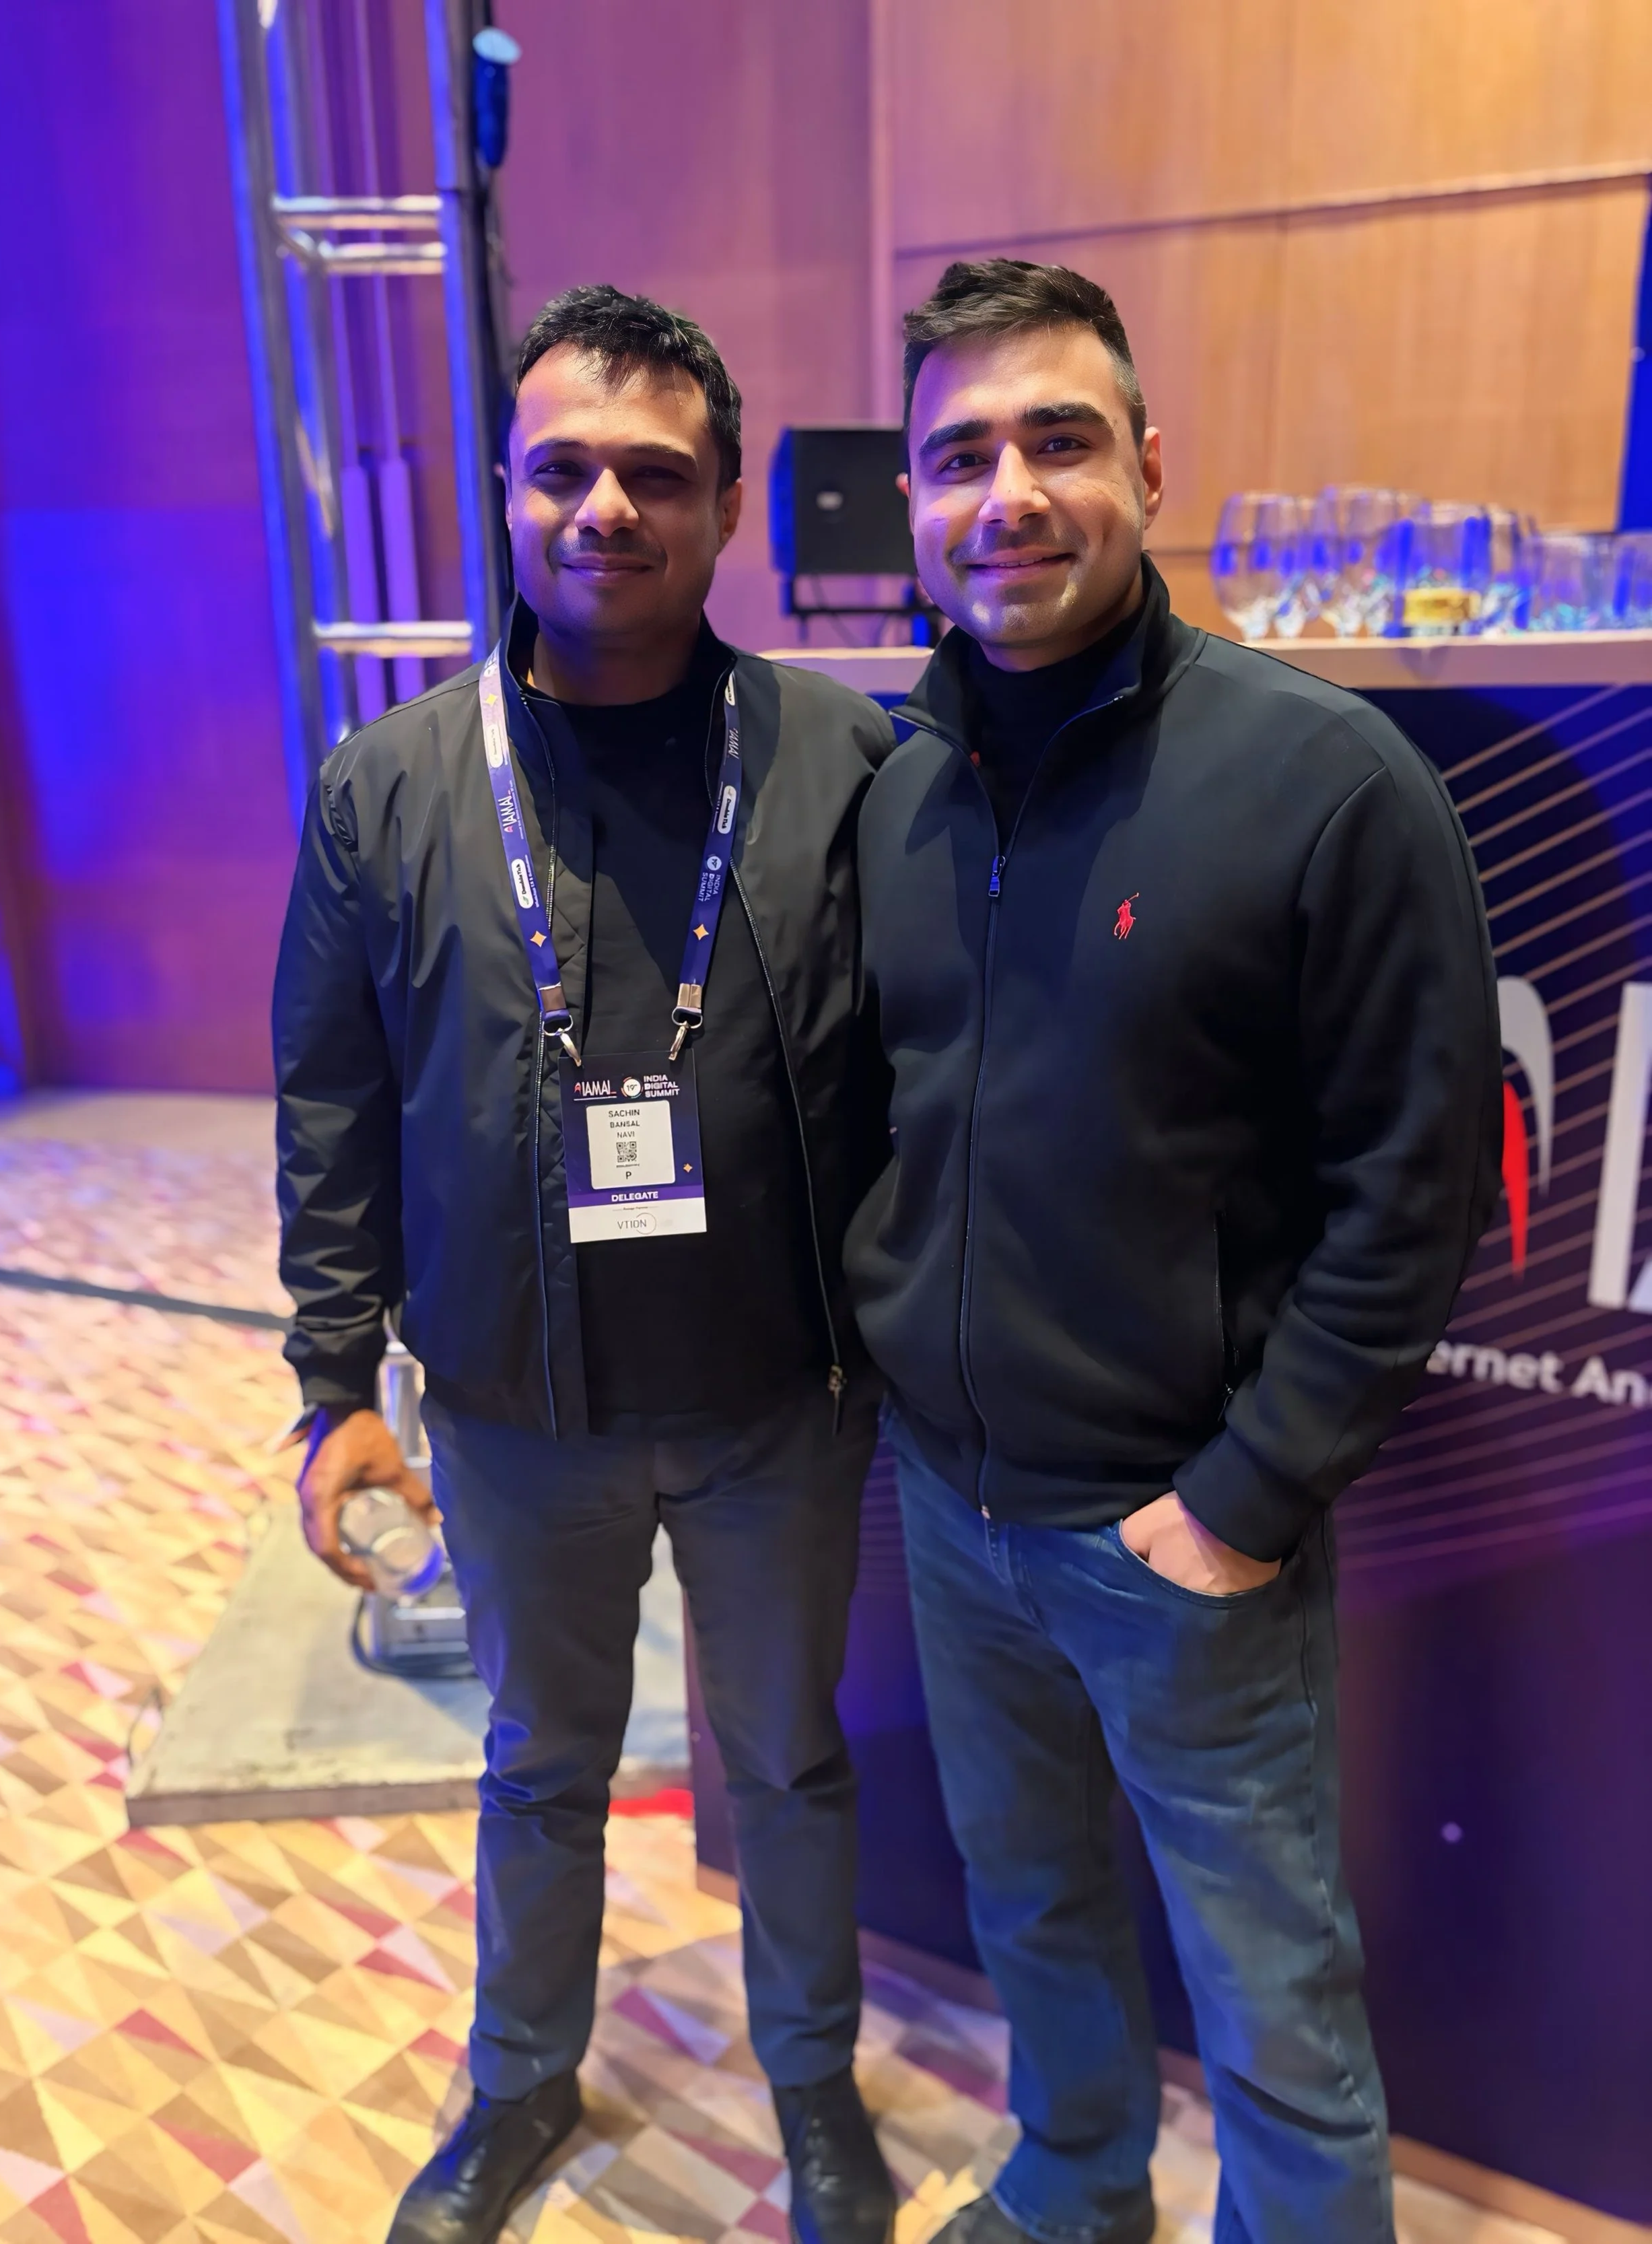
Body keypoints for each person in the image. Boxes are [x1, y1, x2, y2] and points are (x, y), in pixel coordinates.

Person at [846, 258, 1503, 2244]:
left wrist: (1241, 1492)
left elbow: (1417, 1179)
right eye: (959, 452)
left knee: (1269, 1990)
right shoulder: (898, 789)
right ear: (911, 499)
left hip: (1177, 1539)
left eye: (1058, 437)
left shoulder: (1320, 782)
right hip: (954, 1515)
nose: (1008, 491)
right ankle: (1071, 2193)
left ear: (1149, 460)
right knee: (1027, 1900)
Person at [274, 285, 898, 2244]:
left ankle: (813, 2090)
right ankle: (518, 2086)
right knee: (540, 1758)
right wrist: (327, 1384)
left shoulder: (838, 757)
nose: (605, 507)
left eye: (657, 473)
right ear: (506, 492)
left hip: (774, 1393)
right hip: (511, 1403)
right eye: (565, 468)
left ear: (721, 508)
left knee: (788, 1758)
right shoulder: (386, 785)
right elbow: (330, 1098)